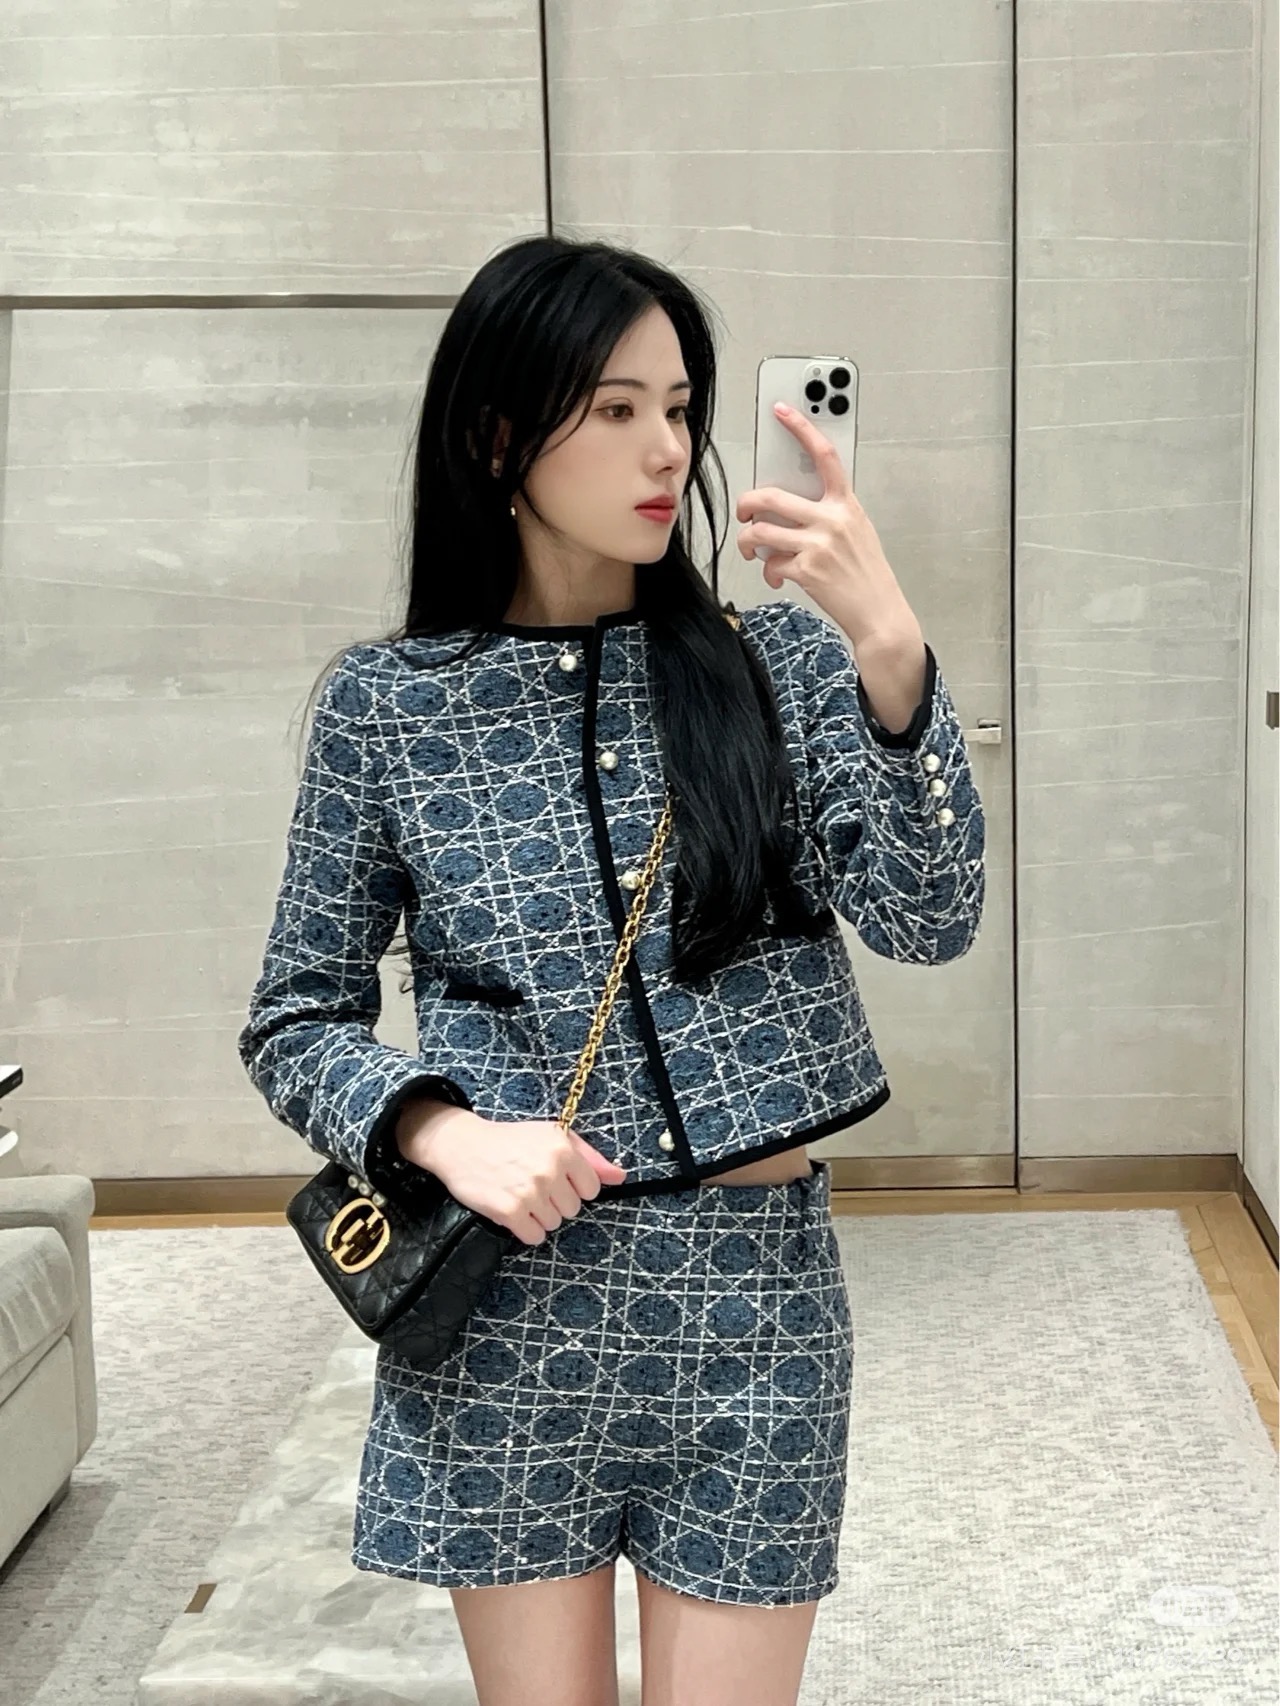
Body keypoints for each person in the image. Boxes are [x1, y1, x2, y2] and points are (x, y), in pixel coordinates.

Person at [237, 233, 985, 1706]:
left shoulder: (779, 667)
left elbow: (929, 911)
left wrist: (892, 652)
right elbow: (295, 1014)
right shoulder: (389, 708)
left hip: (753, 1306)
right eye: (616, 408)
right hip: (508, 1313)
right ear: (498, 437)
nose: (667, 449)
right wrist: (442, 1130)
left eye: (682, 407)